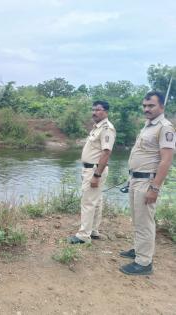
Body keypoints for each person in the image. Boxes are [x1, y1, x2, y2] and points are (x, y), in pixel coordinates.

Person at [120, 91, 175, 275]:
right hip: (136, 179)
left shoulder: (165, 127)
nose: (146, 109)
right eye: (144, 106)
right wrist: (131, 178)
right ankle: (139, 250)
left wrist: (155, 187)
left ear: (161, 107)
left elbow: (166, 160)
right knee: (137, 219)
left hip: (147, 182)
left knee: (145, 221)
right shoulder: (147, 126)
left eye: (151, 105)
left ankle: (144, 263)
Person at [68, 101, 116, 244]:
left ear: (106, 112)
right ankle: (93, 230)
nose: (94, 112)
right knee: (96, 201)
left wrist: (96, 175)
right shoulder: (97, 127)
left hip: (95, 170)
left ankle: (83, 236)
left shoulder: (107, 128)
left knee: (88, 202)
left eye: (98, 110)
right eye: (93, 109)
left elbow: (106, 153)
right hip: (91, 168)